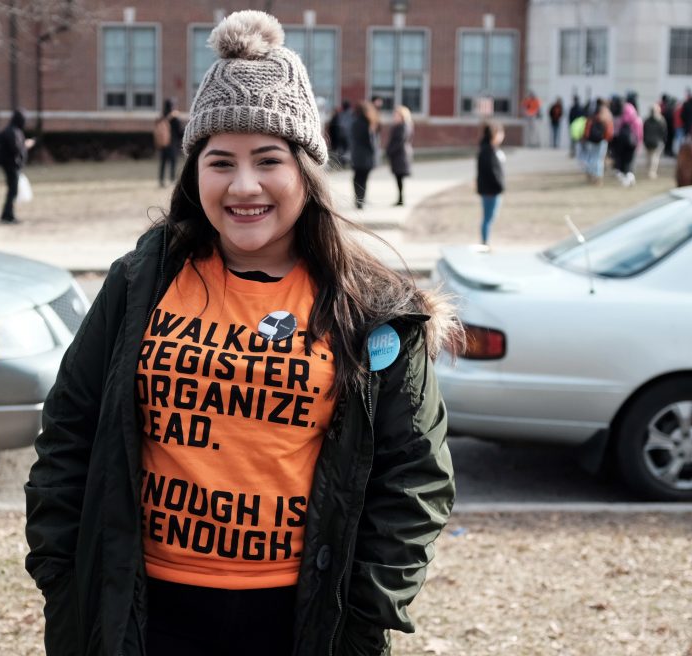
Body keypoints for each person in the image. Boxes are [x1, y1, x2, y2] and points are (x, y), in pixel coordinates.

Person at [24, 10, 459, 656]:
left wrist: (365, 612)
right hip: (143, 618)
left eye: (268, 160)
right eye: (220, 161)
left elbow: (415, 478)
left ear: (306, 173)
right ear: (195, 171)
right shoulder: (142, 280)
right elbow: (70, 427)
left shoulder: (371, 309)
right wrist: (61, 574)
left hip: (303, 624)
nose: (244, 185)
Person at [0, 109, 34, 224]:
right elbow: (16, 149)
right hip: (11, 166)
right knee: (13, 191)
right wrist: (25, 145)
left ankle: (8, 214)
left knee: (12, 191)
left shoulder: (11, 130)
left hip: (11, 165)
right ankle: (8, 215)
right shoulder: (12, 131)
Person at [476, 121, 505, 249]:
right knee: (488, 218)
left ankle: (485, 241)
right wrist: (500, 185)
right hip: (490, 190)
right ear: (495, 134)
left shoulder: (489, 149)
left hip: (489, 189)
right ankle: (485, 242)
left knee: (488, 218)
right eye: (500, 133)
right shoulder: (488, 151)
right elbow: (492, 171)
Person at [349, 100, 380, 209]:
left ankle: (358, 200)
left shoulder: (354, 122)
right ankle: (361, 200)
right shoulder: (369, 124)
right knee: (363, 179)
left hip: (357, 156)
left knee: (357, 179)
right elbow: (371, 143)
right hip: (366, 157)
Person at [385, 105, 413, 206]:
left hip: (400, 156)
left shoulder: (403, 127)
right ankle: (400, 199)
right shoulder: (399, 126)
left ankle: (400, 199)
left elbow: (399, 142)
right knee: (398, 179)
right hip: (398, 156)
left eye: (397, 115)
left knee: (399, 178)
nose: (395, 117)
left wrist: (389, 151)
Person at [582, 100, 613, 185]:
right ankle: (598, 178)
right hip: (602, 140)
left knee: (592, 158)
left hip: (592, 140)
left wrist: (586, 137)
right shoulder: (606, 116)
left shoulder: (592, 115)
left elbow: (587, 127)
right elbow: (609, 130)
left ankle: (591, 175)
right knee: (599, 159)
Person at [612, 102, 642, 187]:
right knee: (630, 162)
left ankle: (626, 178)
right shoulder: (637, 120)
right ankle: (630, 178)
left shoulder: (620, 119)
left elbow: (615, 133)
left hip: (621, 145)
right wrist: (639, 145)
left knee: (623, 161)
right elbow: (639, 134)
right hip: (632, 144)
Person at [155, 99, 184, 187]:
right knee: (173, 162)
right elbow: (180, 132)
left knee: (163, 162)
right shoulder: (175, 117)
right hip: (172, 143)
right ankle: (172, 179)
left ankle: (161, 180)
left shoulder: (162, 117)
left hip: (163, 143)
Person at [642, 103, 667, 179]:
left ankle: (649, 171)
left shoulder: (646, 120)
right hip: (656, 142)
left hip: (648, 141)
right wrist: (663, 141)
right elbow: (664, 132)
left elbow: (644, 131)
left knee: (649, 157)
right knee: (654, 158)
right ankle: (652, 172)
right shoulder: (661, 120)